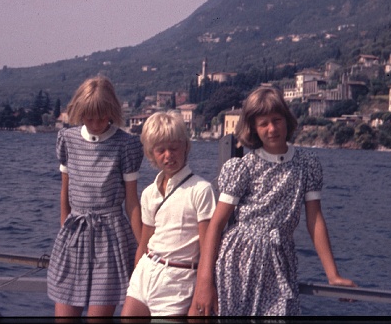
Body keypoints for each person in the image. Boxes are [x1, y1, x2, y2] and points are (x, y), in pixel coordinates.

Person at [190, 86, 356, 317]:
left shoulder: (306, 165)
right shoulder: (244, 168)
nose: (272, 128)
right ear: (254, 129)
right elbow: (217, 225)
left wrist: (333, 274)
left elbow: (315, 219)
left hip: (280, 259)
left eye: (277, 120)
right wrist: (205, 282)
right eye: (263, 123)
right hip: (239, 261)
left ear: (287, 120)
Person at [46, 76, 143, 318]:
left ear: (112, 112)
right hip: (74, 234)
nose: (96, 123)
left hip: (110, 238)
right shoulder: (68, 140)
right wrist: (64, 231)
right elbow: (65, 193)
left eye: (102, 116)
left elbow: (132, 202)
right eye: (89, 117)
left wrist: (142, 247)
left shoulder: (125, 145)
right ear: (79, 111)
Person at [121, 110, 216, 317]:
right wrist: (136, 276)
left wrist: (203, 291)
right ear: (150, 154)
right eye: (160, 150)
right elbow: (144, 242)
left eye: (173, 148)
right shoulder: (149, 193)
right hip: (146, 273)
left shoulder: (201, 189)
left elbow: (207, 249)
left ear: (185, 147)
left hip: (178, 280)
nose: (168, 155)